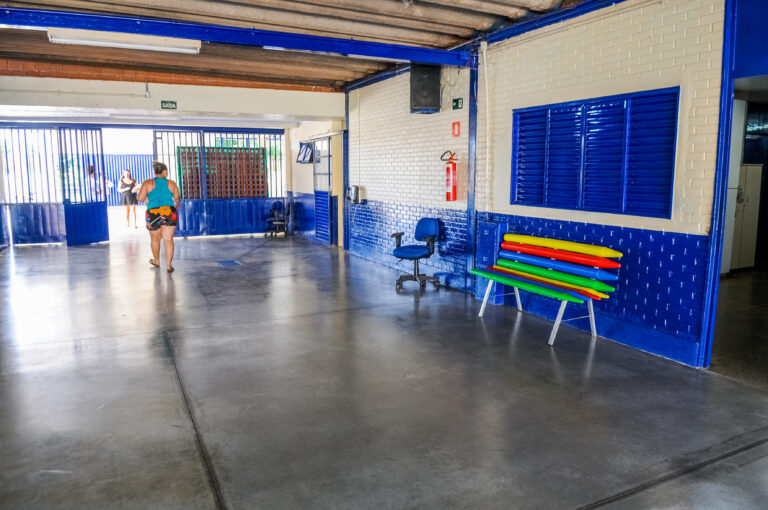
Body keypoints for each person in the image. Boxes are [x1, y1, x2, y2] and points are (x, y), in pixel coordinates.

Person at [137, 161, 181, 273]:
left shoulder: (148, 183)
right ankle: (168, 266)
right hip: (168, 212)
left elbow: (140, 199)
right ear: (164, 172)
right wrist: (177, 206)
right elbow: (177, 198)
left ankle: (156, 260)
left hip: (153, 212)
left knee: (155, 239)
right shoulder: (171, 183)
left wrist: (148, 196)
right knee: (168, 239)